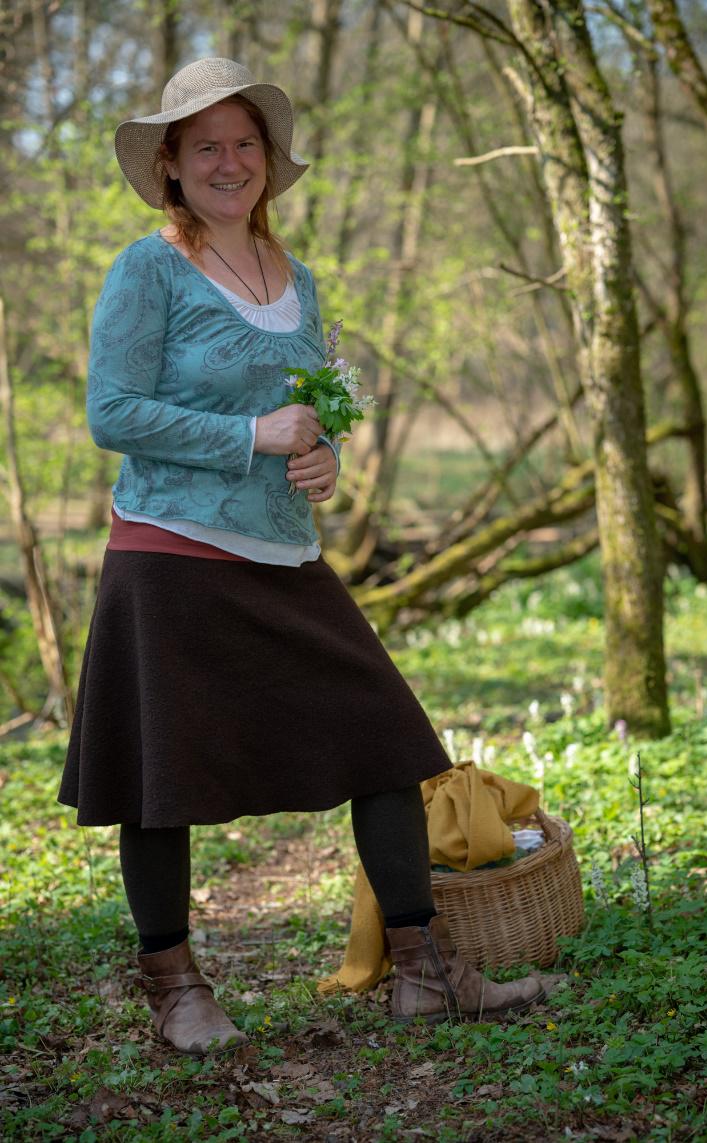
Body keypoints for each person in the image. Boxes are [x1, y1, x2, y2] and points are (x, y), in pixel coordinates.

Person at [58, 57, 544, 1056]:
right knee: (160, 774)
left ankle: (423, 973)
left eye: (246, 143)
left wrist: (323, 457)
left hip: (284, 555)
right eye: (206, 146)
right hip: (170, 553)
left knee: (388, 738)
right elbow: (112, 412)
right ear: (171, 164)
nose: (229, 162)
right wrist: (251, 437)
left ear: (269, 160)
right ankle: (175, 989)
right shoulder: (148, 269)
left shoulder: (299, 279)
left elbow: (311, 412)